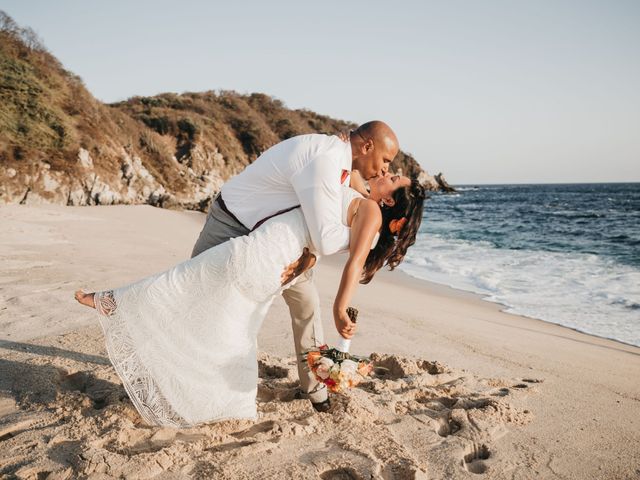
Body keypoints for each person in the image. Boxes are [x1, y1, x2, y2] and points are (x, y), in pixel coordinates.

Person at [74, 174, 425, 428]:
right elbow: (331, 232)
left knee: (191, 287)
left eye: (391, 177)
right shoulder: (357, 189)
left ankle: (117, 303)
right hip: (275, 252)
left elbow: (350, 263)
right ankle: (121, 308)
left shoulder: (369, 209)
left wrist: (338, 304)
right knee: (219, 312)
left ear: (389, 200)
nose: (384, 171)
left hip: (269, 249)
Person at [189, 121, 399, 413]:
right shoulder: (326, 159)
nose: (386, 169)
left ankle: (315, 390)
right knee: (195, 296)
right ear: (366, 147)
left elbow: (340, 198)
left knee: (307, 305)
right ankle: (181, 370)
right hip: (232, 223)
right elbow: (325, 238)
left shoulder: (342, 160)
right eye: (386, 160)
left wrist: (311, 256)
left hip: (283, 244)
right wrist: (367, 239)